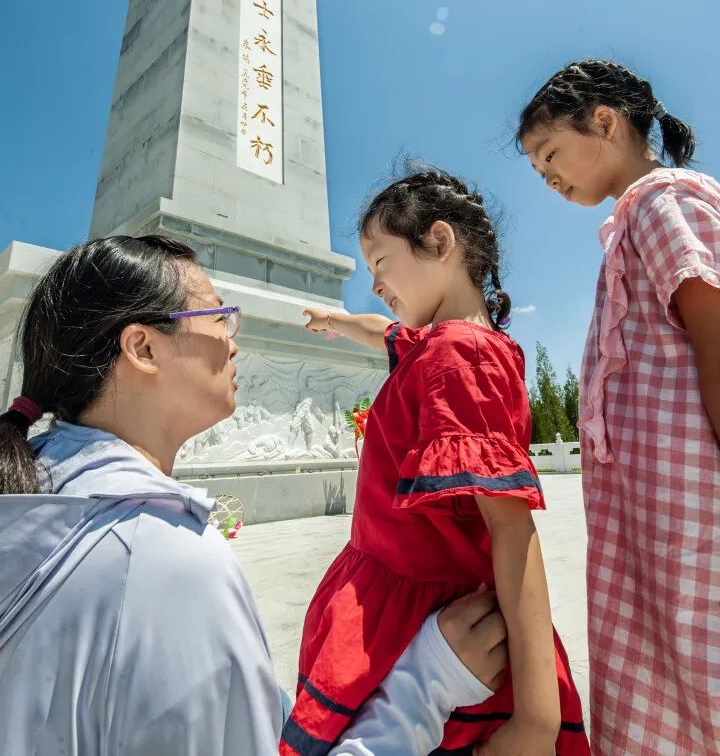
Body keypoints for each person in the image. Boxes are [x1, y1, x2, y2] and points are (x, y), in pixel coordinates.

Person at [0, 234, 510, 756]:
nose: (233, 340)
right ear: (143, 348)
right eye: (220, 318)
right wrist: (428, 684)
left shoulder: (33, 494)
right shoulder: (162, 559)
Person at [290, 168, 590, 756]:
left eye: (380, 262)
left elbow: (511, 526)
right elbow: (385, 332)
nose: (374, 284)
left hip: (431, 632)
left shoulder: (458, 356)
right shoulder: (439, 344)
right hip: (414, 610)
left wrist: (535, 720)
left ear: (441, 242)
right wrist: (338, 322)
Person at [517, 59, 720, 755]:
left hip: (694, 507)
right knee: (663, 663)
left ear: (604, 121)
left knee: (698, 662)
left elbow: (713, 328)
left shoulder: (665, 200)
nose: (548, 176)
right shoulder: (630, 222)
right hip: (653, 514)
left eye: (550, 153)